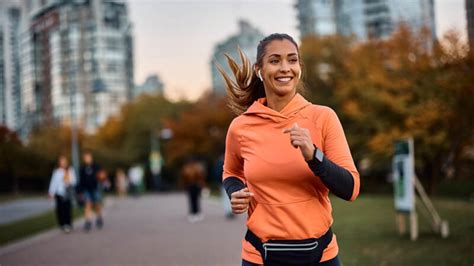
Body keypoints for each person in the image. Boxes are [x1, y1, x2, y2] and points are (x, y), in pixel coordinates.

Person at [219, 33, 360, 266]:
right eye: (275, 61)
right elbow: (231, 172)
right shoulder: (241, 126)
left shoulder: (323, 117)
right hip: (259, 256)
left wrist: (314, 156)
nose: (285, 68)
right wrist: (235, 191)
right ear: (259, 70)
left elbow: (351, 188)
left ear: (300, 68)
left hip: (320, 256)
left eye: (292, 60)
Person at [48, 155, 76, 233]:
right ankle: (62, 224)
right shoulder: (56, 171)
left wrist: (69, 181)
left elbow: (74, 181)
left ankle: (68, 224)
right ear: (59, 162)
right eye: (61, 161)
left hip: (67, 193)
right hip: (59, 193)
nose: (63, 163)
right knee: (60, 209)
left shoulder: (70, 170)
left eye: (64, 161)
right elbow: (53, 182)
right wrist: (51, 192)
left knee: (67, 209)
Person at [78, 151, 103, 231]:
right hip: (86, 190)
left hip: (95, 189)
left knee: (97, 205)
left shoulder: (96, 166)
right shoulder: (82, 168)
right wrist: (80, 191)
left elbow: (101, 176)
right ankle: (88, 221)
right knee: (88, 204)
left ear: (91, 157)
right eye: (85, 158)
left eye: (88, 157)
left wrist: (102, 177)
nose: (87, 159)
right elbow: (80, 180)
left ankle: (99, 217)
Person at [180, 158, 206, 223]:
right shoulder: (192, 168)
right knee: (193, 200)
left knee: (194, 200)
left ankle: (195, 212)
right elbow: (184, 178)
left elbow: (200, 177)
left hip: (194, 186)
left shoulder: (190, 169)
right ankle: (194, 213)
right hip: (191, 186)